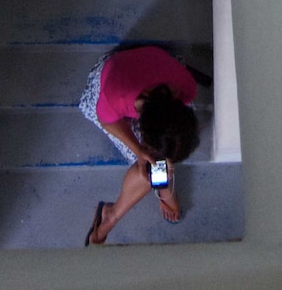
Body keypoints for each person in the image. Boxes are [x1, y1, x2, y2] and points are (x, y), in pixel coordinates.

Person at [79, 44, 200, 245]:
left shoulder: (185, 88)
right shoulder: (116, 97)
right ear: (142, 129)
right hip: (108, 80)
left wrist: (165, 159)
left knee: (159, 160)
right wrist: (138, 150)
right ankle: (114, 213)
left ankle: (159, 186)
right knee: (150, 167)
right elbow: (106, 120)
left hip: (153, 72)